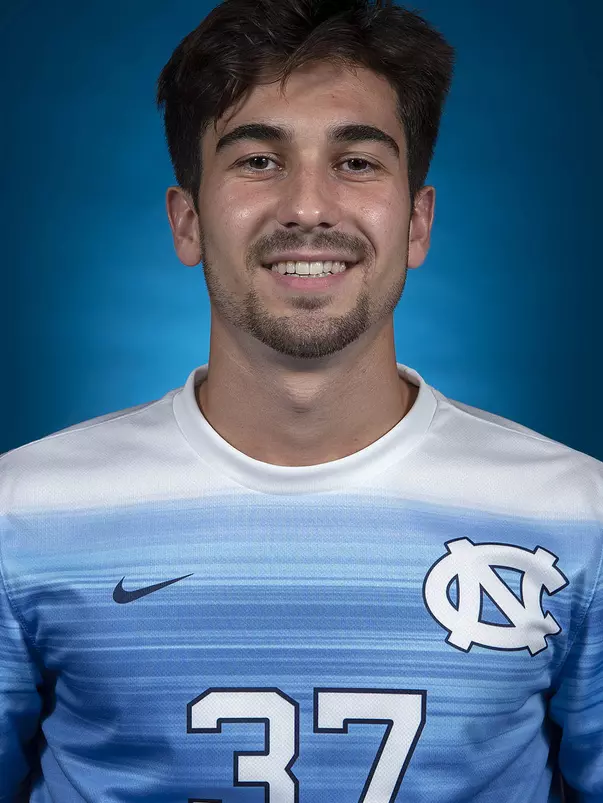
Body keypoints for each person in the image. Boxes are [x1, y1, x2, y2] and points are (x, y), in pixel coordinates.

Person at [0, 0, 600, 799]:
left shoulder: (575, 515)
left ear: (417, 223)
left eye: (356, 162)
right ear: (187, 221)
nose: (308, 207)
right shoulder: (24, 516)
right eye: (257, 161)